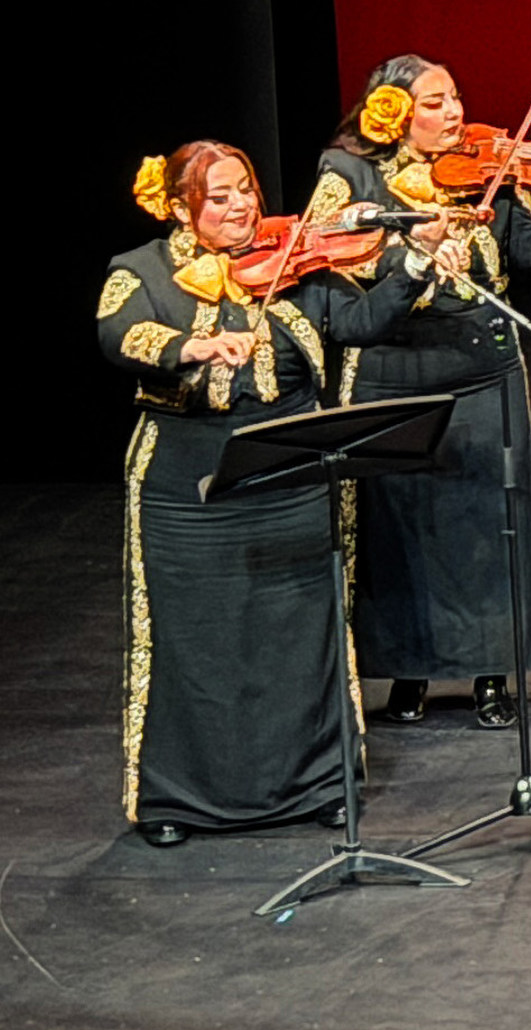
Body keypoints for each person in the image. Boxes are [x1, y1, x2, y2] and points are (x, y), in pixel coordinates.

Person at [94, 142, 432, 844]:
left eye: (245, 189)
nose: (242, 206)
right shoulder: (142, 271)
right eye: (220, 197)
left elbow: (362, 322)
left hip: (293, 476)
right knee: (195, 641)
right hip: (185, 488)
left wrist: (416, 260)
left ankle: (316, 783)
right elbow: (117, 333)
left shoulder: (296, 263)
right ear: (185, 206)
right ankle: (178, 799)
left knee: (300, 632)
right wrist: (192, 346)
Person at [310, 56, 531, 727]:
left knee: (489, 523)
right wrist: (406, 248)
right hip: (394, 366)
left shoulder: (487, 164)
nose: (453, 113)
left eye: (455, 97)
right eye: (434, 102)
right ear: (392, 111)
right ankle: (410, 675)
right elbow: (331, 245)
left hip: (482, 361)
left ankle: (489, 674)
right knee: (400, 529)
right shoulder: (350, 173)